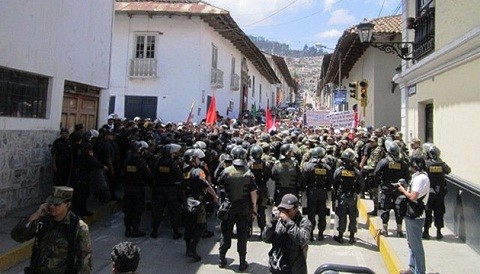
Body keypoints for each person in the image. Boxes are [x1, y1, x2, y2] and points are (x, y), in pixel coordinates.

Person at [11, 186, 92, 273]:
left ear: (67, 205)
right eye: (50, 203)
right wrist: (35, 215)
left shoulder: (78, 227)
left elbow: (85, 263)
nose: (52, 206)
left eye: (56, 204)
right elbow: (17, 236)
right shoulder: (44, 221)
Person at [217, 146, 258, 271]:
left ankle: (222, 259)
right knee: (242, 235)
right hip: (244, 208)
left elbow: (219, 184)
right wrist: (254, 208)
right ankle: (242, 262)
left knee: (226, 233)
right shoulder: (249, 173)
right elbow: (253, 193)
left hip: (229, 206)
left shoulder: (226, 171)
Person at [182, 148, 218, 261]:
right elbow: (206, 184)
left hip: (186, 201)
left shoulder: (184, 170)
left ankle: (188, 249)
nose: (199, 160)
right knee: (201, 225)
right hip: (198, 201)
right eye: (197, 158)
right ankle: (193, 249)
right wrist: (215, 196)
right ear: (193, 159)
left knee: (188, 225)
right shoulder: (198, 171)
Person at [262, 193, 311, 274]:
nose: (284, 212)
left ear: (296, 208)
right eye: (282, 209)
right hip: (277, 266)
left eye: (288, 210)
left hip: (294, 269)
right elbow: (265, 238)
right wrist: (271, 223)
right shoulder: (278, 221)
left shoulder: (303, 222)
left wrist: (288, 221)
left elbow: (302, 239)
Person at [396, 157, 430, 274]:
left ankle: (420, 271)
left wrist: (403, 190)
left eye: (411, 166)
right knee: (411, 243)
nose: (409, 168)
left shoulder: (421, 178)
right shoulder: (418, 177)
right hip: (412, 213)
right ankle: (412, 267)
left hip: (416, 215)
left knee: (416, 246)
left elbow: (413, 196)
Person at [374, 142, 410, 237]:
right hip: (399, 188)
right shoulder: (402, 163)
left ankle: (385, 230)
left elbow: (376, 173)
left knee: (385, 207)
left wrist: (379, 183)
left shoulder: (384, 161)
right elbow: (407, 176)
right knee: (399, 208)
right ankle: (399, 230)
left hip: (386, 187)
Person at [151, 143, 184, 239]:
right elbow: (179, 176)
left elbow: (153, 174)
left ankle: (154, 231)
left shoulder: (158, 162)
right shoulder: (172, 163)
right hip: (170, 190)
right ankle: (175, 232)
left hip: (159, 189)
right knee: (173, 211)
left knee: (158, 211)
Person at [332, 149, 364, 244]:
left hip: (342, 195)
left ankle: (340, 236)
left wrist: (337, 193)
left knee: (342, 215)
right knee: (353, 215)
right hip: (352, 197)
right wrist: (356, 192)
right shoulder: (357, 172)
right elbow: (361, 185)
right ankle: (352, 237)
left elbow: (335, 183)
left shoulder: (339, 171)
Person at [122, 141, 153, 238]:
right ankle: (135, 230)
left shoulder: (127, 160)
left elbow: (122, 173)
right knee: (137, 209)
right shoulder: (141, 161)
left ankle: (127, 229)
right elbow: (147, 175)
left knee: (128, 209)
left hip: (127, 188)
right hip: (138, 188)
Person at [301, 147, 332, 241]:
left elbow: (304, 182)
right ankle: (321, 234)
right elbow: (330, 182)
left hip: (311, 193)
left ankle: (310, 234)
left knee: (311, 214)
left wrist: (302, 190)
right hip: (322, 193)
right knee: (322, 214)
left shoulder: (308, 167)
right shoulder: (327, 167)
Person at [423, 145, 451, 240]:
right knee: (439, 212)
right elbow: (448, 170)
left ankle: (426, 232)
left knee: (428, 212)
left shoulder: (427, 164)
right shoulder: (442, 164)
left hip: (429, 193)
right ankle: (439, 232)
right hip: (440, 192)